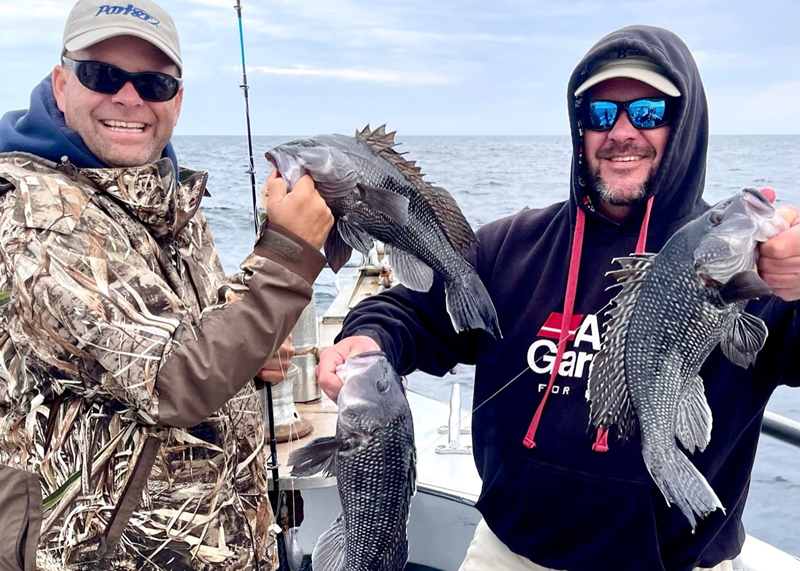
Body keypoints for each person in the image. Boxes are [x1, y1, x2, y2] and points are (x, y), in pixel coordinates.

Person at [318, 25, 800, 571]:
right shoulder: (510, 246)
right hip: (509, 553)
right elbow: (411, 310)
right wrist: (367, 337)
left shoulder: (744, 266)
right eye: (599, 114)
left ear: (682, 125)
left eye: (646, 112)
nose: (621, 132)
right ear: (579, 129)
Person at [0, 0, 333, 569]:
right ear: (61, 84)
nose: (129, 98)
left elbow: (181, 335)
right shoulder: (38, 214)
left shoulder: (163, 197)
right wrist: (288, 253)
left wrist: (248, 353)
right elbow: (176, 379)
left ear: (177, 101)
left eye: (154, 82)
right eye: (102, 75)